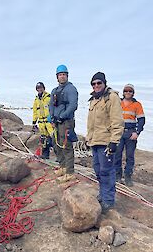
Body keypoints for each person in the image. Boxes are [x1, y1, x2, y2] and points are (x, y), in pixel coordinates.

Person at [86, 72, 124, 213]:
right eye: (94, 83)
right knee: (97, 170)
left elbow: (117, 121)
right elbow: (91, 123)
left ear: (104, 83)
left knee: (106, 171)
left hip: (106, 142)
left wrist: (114, 142)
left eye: (99, 83)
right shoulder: (94, 99)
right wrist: (88, 138)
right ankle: (102, 195)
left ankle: (108, 200)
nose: (96, 85)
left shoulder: (112, 97)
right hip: (95, 141)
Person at [49, 65, 78, 182]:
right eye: (60, 75)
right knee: (56, 144)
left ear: (67, 76)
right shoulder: (55, 90)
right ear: (57, 77)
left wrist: (62, 116)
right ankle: (63, 166)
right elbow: (51, 105)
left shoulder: (71, 89)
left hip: (66, 122)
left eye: (64, 74)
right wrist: (52, 117)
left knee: (66, 145)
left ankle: (70, 172)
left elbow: (73, 105)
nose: (62, 76)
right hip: (57, 122)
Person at [113, 84, 145, 186]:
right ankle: (118, 175)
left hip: (130, 132)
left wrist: (137, 132)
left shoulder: (137, 104)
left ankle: (128, 176)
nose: (128, 92)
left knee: (130, 156)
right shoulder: (118, 103)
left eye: (130, 91)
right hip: (119, 132)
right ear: (123, 92)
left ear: (133, 93)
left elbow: (141, 120)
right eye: (126, 90)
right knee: (117, 155)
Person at [32, 82, 54, 159]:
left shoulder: (49, 97)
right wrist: (34, 122)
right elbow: (35, 111)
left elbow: (53, 108)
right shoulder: (36, 100)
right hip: (41, 122)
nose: (39, 89)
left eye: (41, 88)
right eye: (38, 88)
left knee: (54, 138)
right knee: (44, 139)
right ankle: (45, 155)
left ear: (43, 88)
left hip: (49, 121)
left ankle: (59, 156)